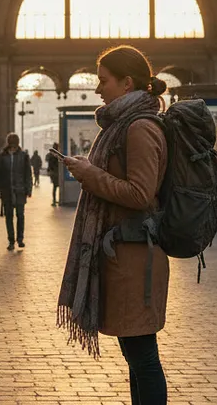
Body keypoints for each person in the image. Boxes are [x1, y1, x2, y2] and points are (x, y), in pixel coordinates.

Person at [57, 45, 170, 405]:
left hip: (136, 260)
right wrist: (91, 172)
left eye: (103, 80)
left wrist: (91, 175)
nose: (97, 88)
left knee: (143, 357)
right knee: (135, 356)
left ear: (126, 83)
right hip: (125, 256)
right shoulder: (122, 125)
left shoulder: (139, 128)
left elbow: (140, 194)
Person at [0, 133, 33, 250]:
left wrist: (29, 188)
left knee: (20, 215)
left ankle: (20, 239)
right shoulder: (2, 156)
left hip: (20, 190)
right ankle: (11, 240)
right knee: (9, 216)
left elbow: (28, 173)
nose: (13, 145)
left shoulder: (23, 156)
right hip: (7, 191)